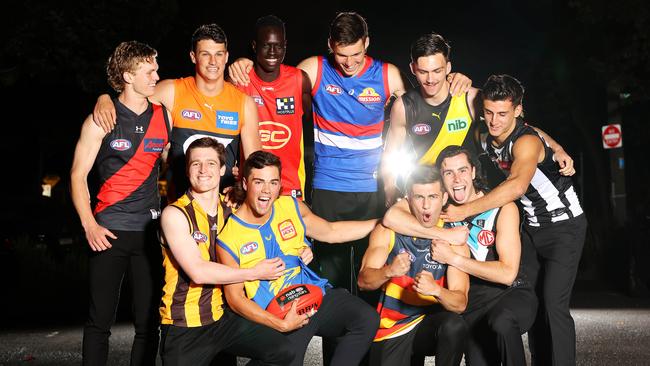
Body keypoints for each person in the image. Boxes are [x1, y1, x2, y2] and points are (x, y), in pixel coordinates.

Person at [228, 13, 472, 300]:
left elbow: (422, 100)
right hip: (328, 187)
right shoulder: (314, 69)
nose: (349, 63)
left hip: (373, 188)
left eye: (356, 54)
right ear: (331, 45)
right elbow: (276, 80)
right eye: (342, 55)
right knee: (333, 277)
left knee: (373, 271)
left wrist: (455, 78)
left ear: (367, 43)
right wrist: (245, 64)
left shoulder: (387, 74)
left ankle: (369, 337)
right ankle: (336, 339)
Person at [441, 75, 586, 366]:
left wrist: (464, 211)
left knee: (553, 305)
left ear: (518, 111)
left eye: (503, 114)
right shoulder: (486, 129)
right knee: (528, 299)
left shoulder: (526, 142)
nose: (494, 121)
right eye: (489, 112)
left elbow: (518, 185)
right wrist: (452, 74)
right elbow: (452, 87)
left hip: (563, 226)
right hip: (531, 228)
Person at [216, 151, 380, 366]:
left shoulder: (290, 206)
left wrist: (382, 222)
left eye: (273, 182)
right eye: (259, 182)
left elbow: (331, 231)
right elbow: (235, 299)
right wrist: (279, 324)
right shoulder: (229, 237)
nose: (267, 190)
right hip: (281, 312)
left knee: (366, 319)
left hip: (313, 294)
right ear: (246, 184)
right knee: (288, 357)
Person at [382, 32, 575, 208]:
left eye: (437, 71)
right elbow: (390, 154)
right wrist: (390, 191)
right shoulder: (403, 107)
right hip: (427, 194)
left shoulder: (469, 98)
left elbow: (516, 127)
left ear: (448, 67)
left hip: (468, 193)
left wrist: (556, 149)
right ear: (413, 68)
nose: (430, 79)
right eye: (423, 72)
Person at [70, 41, 171, 365]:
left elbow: (169, 164)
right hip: (108, 234)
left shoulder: (163, 117)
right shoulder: (101, 119)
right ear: (128, 74)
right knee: (100, 322)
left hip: (149, 235)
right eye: (149, 69)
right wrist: (89, 225)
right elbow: (77, 175)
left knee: (148, 323)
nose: (157, 75)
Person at [158, 137, 294, 365]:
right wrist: (253, 272)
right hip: (184, 326)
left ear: (222, 169)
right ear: (187, 170)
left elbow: (271, 226)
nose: (203, 170)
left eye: (211, 163)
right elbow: (198, 272)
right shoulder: (175, 214)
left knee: (282, 352)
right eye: (195, 164)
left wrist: (301, 250)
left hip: (223, 319)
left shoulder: (232, 209)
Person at [93, 24, 261, 199]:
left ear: (226, 57)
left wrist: (241, 188)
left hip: (225, 208)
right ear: (193, 56)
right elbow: (130, 97)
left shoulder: (244, 103)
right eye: (205, 54)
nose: (213, 61)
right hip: (179, 210)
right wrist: (104, 98)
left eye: (219, 54)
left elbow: (255, 164)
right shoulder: (171, 91)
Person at [432, 145, 537, 365]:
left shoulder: (502, 208)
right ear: (441, 179)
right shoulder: (439, 213)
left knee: (502, 321)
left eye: (462, 170)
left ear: (472, 172)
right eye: (448, 173)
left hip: (511, 294)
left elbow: (507, 274)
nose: (456, 179)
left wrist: (454, 259)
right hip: (473, 305)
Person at [358, 165, 470, 366]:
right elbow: (363, 281)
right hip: (393, 327)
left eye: (433, 197)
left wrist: (436, 290)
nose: (426, 206)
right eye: (419, 197)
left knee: (454, 326)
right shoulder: (388, 231)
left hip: (427, 325)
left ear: (444, 199)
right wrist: (388, 271)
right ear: (408, 199)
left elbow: (460, 303)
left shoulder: (454, 242)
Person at [235, 15, 312, 200]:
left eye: (278, 45)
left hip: (289, 187)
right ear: (254, 46)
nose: (272, 52)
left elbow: (311, 124)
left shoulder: (299, 80)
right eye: (266, 45)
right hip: (252, 186)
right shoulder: (239, 82)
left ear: (285, 45)